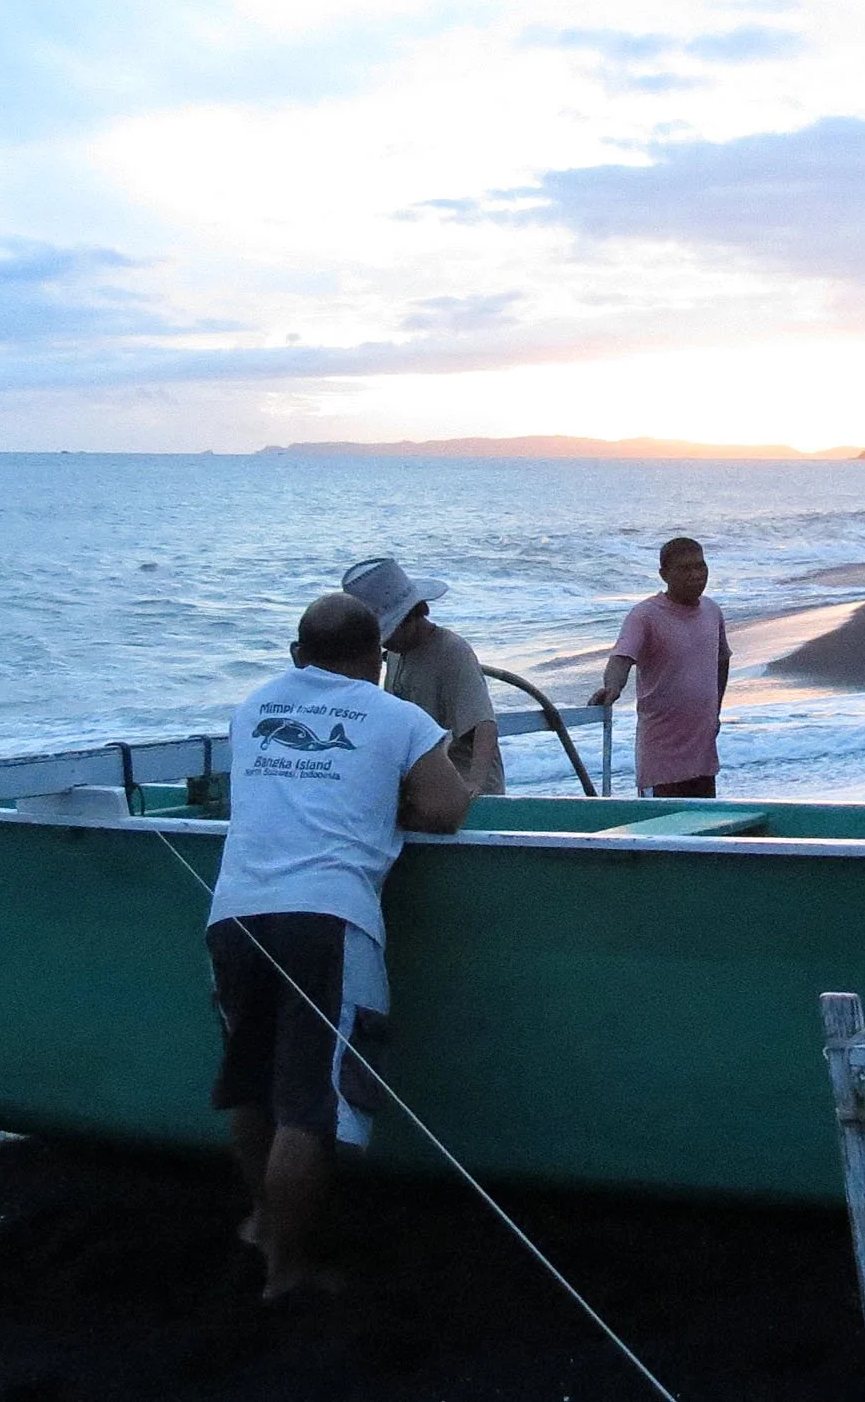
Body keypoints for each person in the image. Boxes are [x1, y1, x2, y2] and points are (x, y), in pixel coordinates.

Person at [205, 592, 471, 1302]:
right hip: (326, 915)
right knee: (311, 1103)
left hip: (234, 912)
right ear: (377, 660)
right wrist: (394, 802)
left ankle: (263, 1225)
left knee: (254, 1080)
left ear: (298, 655)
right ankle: (287, 1272)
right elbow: (446, 808)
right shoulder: (398, 717)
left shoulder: (252, 708)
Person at [342, 556, 505, 796]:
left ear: (412, 617)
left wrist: (475, 785)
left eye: (388, 633)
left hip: (461, 785)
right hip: (423, 783)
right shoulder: (396, 654)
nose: (384, 643)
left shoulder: (451, 651)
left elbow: (484, 724)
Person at [589, 537, 731, 797]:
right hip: (660, 759)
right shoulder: (645, 615)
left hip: (703, 754)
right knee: (660, 822)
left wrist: (715, 713)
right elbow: (622, 657)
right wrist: (612, 687)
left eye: (700, 566)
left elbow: (721, 661)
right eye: (685, 568)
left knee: (705, 820)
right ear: (664, 574)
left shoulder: (712, 611)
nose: (696, 575)